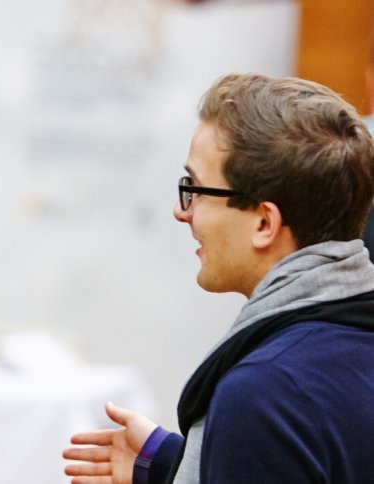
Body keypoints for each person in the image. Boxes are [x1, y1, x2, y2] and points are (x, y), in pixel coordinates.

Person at [63, 72, 374, 483]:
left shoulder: (265, 393)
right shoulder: (347, 343)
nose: (183, 211)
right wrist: (174, 464)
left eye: (196, 188)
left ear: (264, 222)